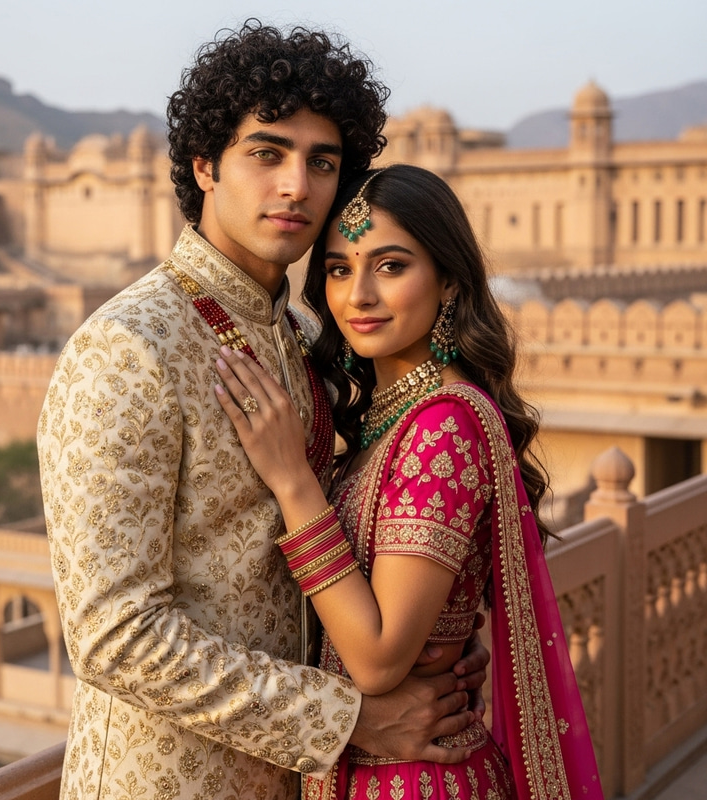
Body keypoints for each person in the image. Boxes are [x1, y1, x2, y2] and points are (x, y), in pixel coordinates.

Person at [37, 23, 489, 800]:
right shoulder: (127, 348)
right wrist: (349, 717)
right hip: (170, 782)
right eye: (267, 153)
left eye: (323, 162)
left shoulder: (310, 334)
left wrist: (429, 642)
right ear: (205, 165)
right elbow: (114, 636)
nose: (296, 186)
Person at [214, 164, 605, 799]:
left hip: (413, 778)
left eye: (391, 266)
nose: (358, 295)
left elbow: (377, 657)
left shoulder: (442, 427)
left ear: (448, 279)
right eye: (339, 269)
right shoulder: (390, 417)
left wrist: (293, 483)